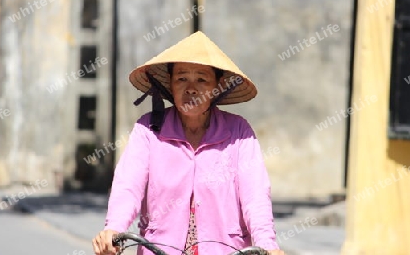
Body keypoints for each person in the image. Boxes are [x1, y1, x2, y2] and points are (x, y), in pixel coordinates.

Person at [92, 32, 285, 255]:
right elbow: (128, 185)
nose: (191, 88)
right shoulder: (148, 130)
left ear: (217, 86)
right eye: (182, 78)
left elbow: (256, 194)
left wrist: (267, 243)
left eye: (202, 79)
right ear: (170, 85)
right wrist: (114, 228)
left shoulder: (239, 132)